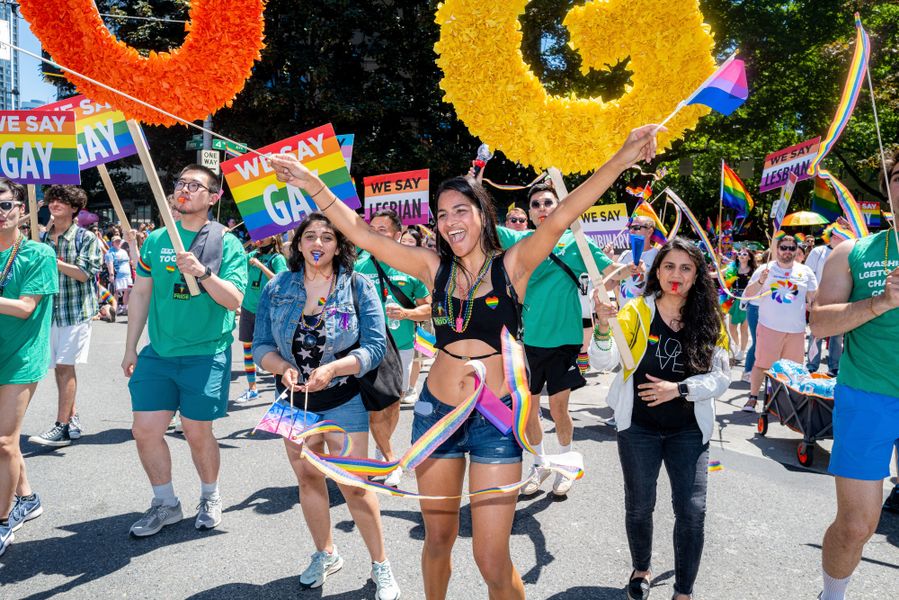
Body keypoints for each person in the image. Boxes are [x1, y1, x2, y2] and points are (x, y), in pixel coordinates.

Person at [269, 122, 662, 599]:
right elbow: (358, 232)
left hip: (495, 420)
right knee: (438, 540)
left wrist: (621, 158)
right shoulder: (430, 267)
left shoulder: (512, 265)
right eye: (442, 213)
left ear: (482, 215)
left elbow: (563, 216)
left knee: (491, 557)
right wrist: (311, 183)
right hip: (438, 416)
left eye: (461, 209)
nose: (450, 220)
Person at [252, 213, 400, 598]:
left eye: (327, 237)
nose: (318, 243)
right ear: (298, 243)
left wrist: (333, 368)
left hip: (343, 399)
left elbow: (375, 346)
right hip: (291, 402)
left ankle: (380, 564)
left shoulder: (358, 285)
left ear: (339, 245)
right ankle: (325, 553)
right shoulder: (277, 287)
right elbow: (262, 346)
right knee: (307, 478)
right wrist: (282, 367)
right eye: (310, 236)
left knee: (354, 485)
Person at [589, 238, 730, 600]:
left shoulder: (712, 319)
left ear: (697, 275)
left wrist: (678, 389)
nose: (676, 275)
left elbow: (721, 379)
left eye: (686, 268)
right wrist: (603, 329)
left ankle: (684, 591)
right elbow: (603, 363)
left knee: (692, 511)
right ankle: (641, 568)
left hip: (688, 431)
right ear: (657, 271)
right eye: (669, 266)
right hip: (639, 429)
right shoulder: (636, 311)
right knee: (639, 505)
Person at [121, 164, 247, 536]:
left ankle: (209, 495)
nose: (185, 190)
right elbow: (141, 293)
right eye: (181, 183)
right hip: (159, 353)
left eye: (196, 185)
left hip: (206, 353)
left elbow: (234, 299)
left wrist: (203, 273)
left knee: (196, 431)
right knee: (144, 430)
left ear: (213, 197)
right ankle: (165, 503)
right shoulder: (157, 239)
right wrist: (131, 347)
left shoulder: (226, 242)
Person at [811, 150, 899, 600]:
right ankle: (832, 595)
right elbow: (820, 323)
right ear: (888, 188)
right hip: (868, 396)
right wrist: (879, 303)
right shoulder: (853, 251)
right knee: (857, 525)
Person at [498, 182, 622, 497]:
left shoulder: (576, 241)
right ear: (528, 212)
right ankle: (540, 464)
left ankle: (565, 463)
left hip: (565, 338)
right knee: (528, 409)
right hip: (527, 339)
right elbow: (482, 226)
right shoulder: (519, 239)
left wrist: (619, 281)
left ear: (559, 207)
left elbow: (608, 273)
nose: (542, 209)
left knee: (558, 407)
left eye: (548, 203)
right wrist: (476, 175)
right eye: (536, 204)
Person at [0, 179, 59, 557]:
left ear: (21, 209)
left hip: (21, 356)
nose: (0, 212)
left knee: (4, 442)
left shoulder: (38, 254)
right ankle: (28, 497)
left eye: (5, 204)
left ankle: (3, 522)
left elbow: (25, 307)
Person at [355, 209, 432, 488]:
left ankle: (381, 451)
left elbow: (429, 308)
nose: (375, 233)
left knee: (393, 404)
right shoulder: (359, 265)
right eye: (371, 228)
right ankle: (386, 457)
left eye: (383, 229)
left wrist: (406, 313)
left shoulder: (411, 265)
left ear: (398, 234)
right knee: (377, 406)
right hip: (369, 349)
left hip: (401, 348)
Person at [29, 185, 102, 447]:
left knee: (64, 366)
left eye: (62, 200)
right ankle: (71, 417)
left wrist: (51, 260)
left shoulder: (86, 238)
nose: (55, 203)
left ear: (74, 208)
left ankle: (61, 426)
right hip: (49, 312)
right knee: (58, 369)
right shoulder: (42, 238)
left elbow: (85, 273)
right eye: (52, 199)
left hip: (75, 311)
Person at [741, 233, 817, 412]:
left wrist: (817, 315)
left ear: (797, 250)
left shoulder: (804, 271)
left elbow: (814, 297)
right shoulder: (765, 269)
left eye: (792, 248)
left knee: (793, 369)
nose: (788, 252)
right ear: (777, 249)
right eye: (784, 248)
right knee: (761, 364)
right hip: (769, 327)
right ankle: (752, 398)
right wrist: (761, 281)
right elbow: (747, 294)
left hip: (796, 330)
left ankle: (787, 403)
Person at [236, 235, 288, 403]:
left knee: (271, 352)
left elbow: (281, 281)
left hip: (267, 311)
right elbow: (236, 261)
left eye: (265, 235)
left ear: (274, 238)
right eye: (259, 234)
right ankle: (252, 388)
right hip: (248, 309)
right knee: (248, 350)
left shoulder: (277, 258)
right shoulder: (252, 255)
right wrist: (247, 243)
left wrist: (260, 266)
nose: (261, 238)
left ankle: (281, 392)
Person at [805, 225, 850, 376]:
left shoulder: (848, 253)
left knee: (837, 335)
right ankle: (812, 365)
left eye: (841, 236)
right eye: (834, 235)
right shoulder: (818, 252)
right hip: (819, 299)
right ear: (829, 237)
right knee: (816, 333)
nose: (837, 238)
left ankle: (834, 367)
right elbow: (808, 274)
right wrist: (809, 298)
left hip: (840, 299)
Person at [610, 215, 660, 306]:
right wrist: (607, 258)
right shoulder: (625, 254)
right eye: (630, 227)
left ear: (649, 232)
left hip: (647, 314)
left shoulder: (658, 256)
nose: (631, 231)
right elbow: (611, 284)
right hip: (625, 314)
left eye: (636, 227)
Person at [723, 247, 756, 361]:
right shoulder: (732, 269)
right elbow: (717, 274)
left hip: (748, 301)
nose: (741, 255)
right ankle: (737, 346)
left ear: (749, 257)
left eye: (744, 254)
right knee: (732, 327)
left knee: (744, 328)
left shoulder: (754, 271)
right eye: (740, 253)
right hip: (734, 300)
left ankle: (742, 351)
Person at [105, 235, 132, 314]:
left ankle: (125, 308)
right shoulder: (110, 252)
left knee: (127, 291)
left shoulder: (123, 251)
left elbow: (128, 261)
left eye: (119, 241)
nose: (118, 242)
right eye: (116, 241)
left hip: (127, 275)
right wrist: (111, 274)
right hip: (118, 276)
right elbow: (110, 264)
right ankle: (114, 309)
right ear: (112, 243)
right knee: (116, 293)